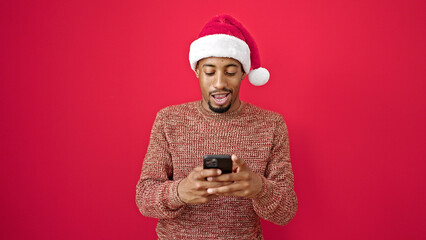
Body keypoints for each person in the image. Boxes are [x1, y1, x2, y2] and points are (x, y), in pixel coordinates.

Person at [136, 14, 297, 239]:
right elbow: (144, 198)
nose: (220, 83)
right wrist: (179, 192)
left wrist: (259, 188)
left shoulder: (271, 125)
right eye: (210, 71)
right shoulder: (168, 120)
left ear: (243, 72)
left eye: (230, 72)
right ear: (197, 72)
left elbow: (286, 211)